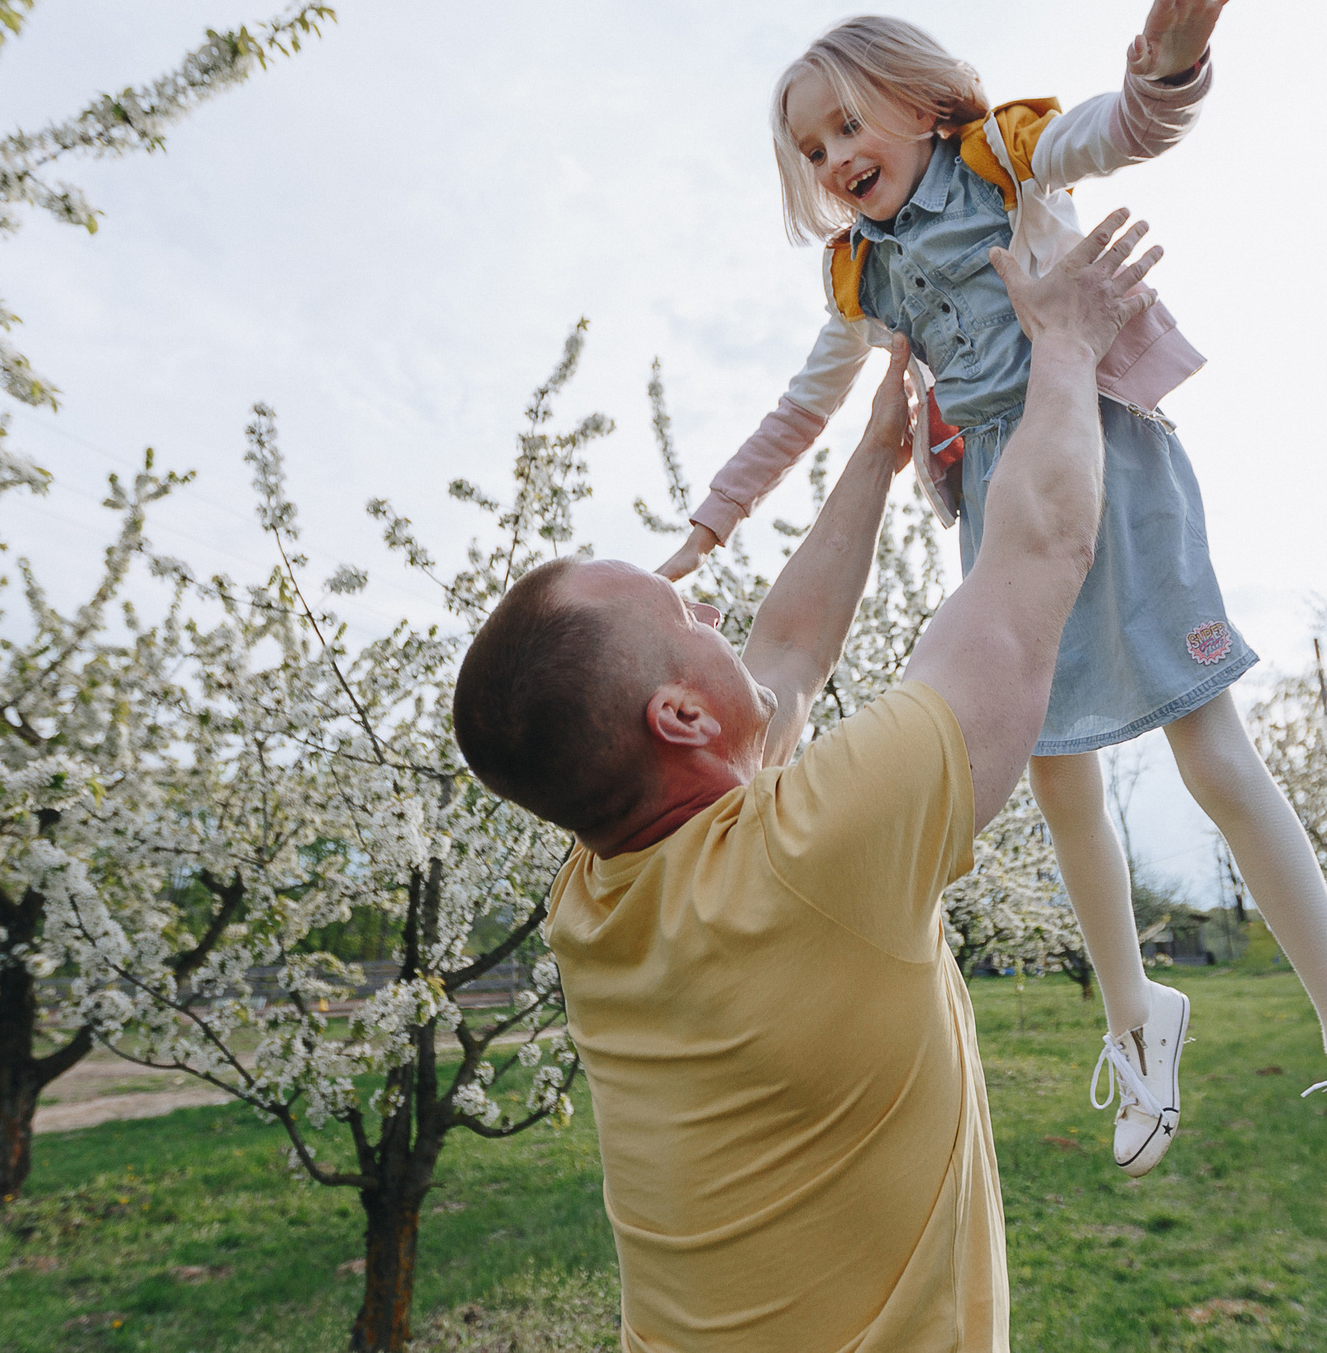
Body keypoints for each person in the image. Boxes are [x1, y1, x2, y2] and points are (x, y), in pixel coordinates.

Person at [651, 0, 1327, 1257]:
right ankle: (1138, 1013)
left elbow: (1126, 130)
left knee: (1212, 747)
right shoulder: (862, 274)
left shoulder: (1006, 157)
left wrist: (1172, 63)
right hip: (998, 511)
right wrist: (710, 518)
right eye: (809, 147)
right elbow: (805, 406)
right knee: (1056, 765)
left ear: (920, 100)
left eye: (849, 120)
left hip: (1114, 472)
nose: (834, 154)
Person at [455, 215, 1179, 1349]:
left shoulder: (596, 900)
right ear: (679, 716)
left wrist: (877, 452)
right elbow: (1038, 552)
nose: (715, 617)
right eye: (688, 614)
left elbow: (785, 657)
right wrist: (1068, 344)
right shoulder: (817, 851)